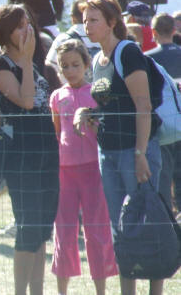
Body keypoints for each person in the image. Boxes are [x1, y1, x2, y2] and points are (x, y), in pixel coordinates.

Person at [75, 0, 164, 295]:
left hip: (134, 151)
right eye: (85, 20)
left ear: (112, 22)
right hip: (108, 153)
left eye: (94, 20)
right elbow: (113, 105)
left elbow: (143, 106)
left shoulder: (128, 52)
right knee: (121, 230)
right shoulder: (98, 60)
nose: (87, 25)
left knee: (145, 224)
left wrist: (140, 153)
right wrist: (87, 112)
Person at [0, 3, 59, 295]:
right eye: (18, 25)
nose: (26, 29)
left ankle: (37, 292)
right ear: (5, 32)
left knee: (42, 231)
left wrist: (31, 61)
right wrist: (27, 63)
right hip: (22, 156)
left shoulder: (35, 60)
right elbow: (26, 101)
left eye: (27, 22)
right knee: (28, 229)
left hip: (47, 151)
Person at [50, 39, 118, 295]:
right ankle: (62, 291)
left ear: (87, 64)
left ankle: (101, 289)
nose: (70, 71)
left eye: (75, 65)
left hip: (93, 170)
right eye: (64, 66)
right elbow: (57, 132)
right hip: (64, 171)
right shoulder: (57, 96)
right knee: (64, 231)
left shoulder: (97, 94)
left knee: (97, 231)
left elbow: (106, 129)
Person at [145, 13, 181, 215]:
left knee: (164, 177)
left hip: (163, 125)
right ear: (174, 31)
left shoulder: (149, 59)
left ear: (154, 32)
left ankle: (168, 226)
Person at [46, 0, 101, 83]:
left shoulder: (63, 39)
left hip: (69, 94)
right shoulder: (102, 38)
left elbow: (50, 70)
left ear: (73, 17)